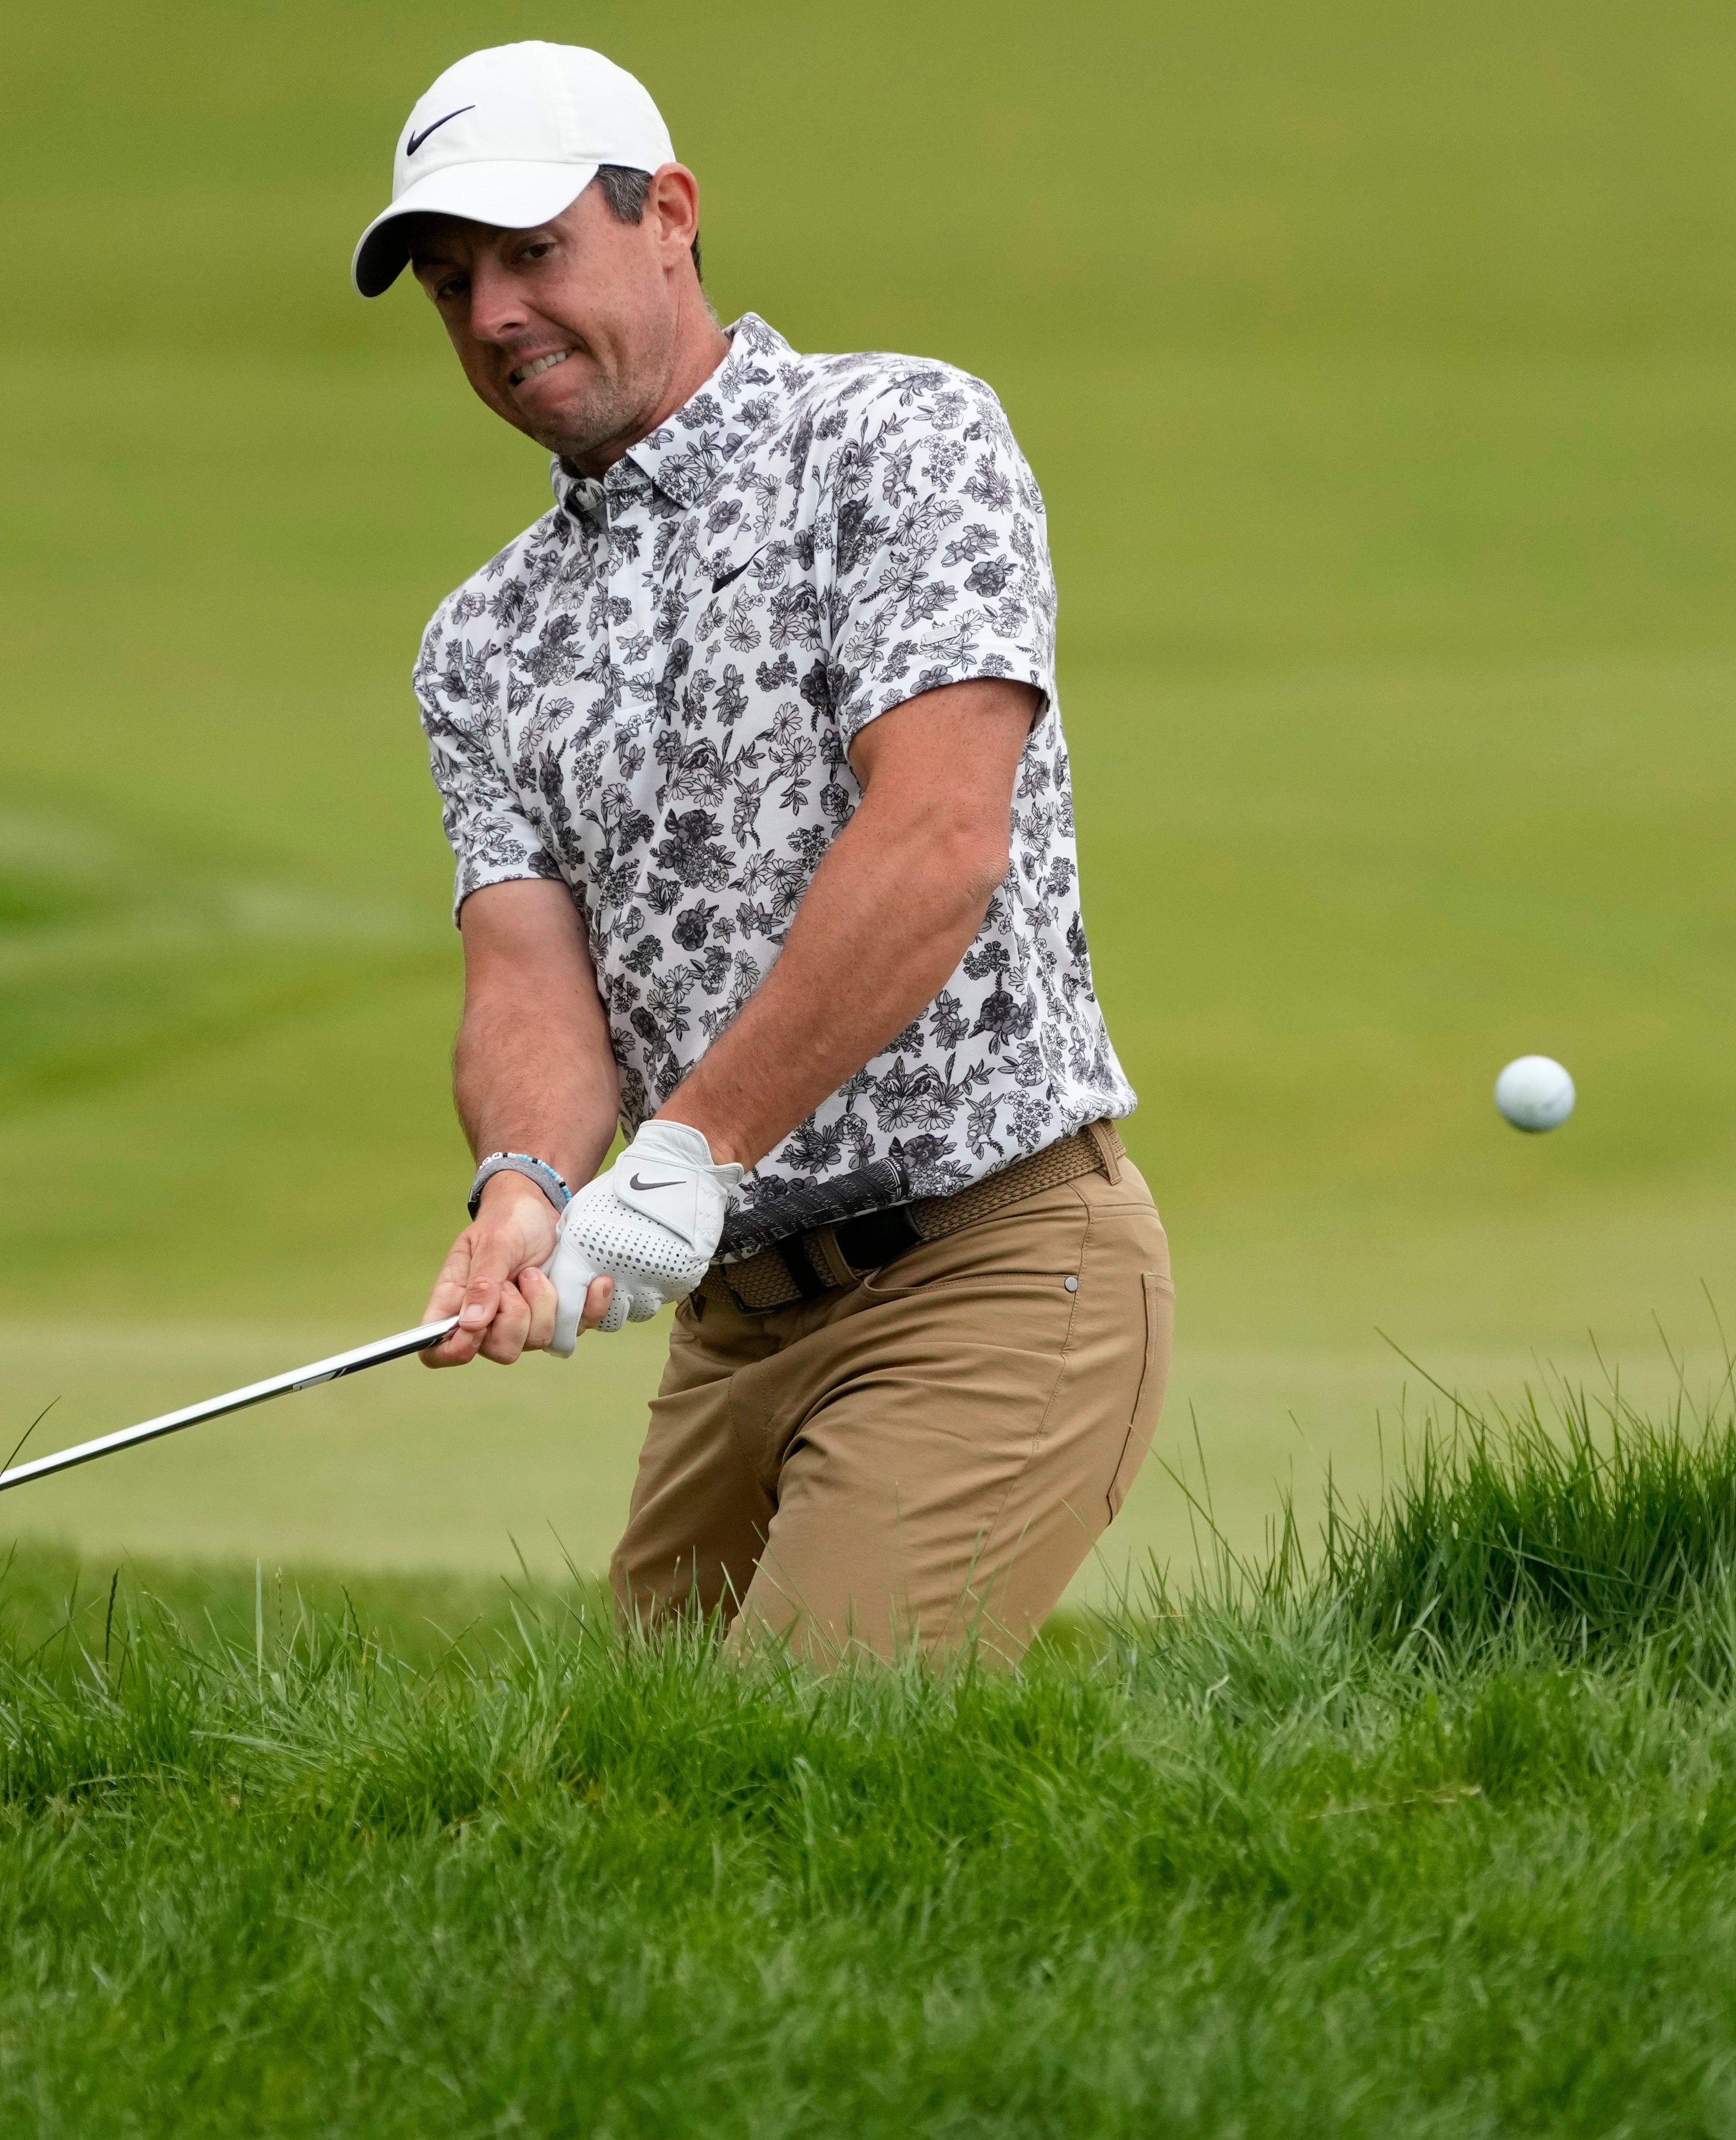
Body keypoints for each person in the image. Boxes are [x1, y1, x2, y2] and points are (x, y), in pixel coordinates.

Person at [355, 42, 1170, 1663]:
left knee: (798, 1775)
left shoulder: (897, 441)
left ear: (668, 213)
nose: (495, 315)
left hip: (989, 1267)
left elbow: (937, 839)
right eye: (452, 285)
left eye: (533, 254)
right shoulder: (483, 639)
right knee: (638, 1822)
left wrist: (689, 1153)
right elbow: (529, 978)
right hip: (732, 1328)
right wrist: (524, 1187)